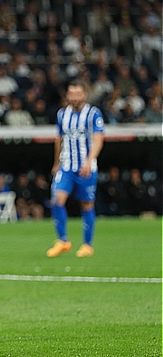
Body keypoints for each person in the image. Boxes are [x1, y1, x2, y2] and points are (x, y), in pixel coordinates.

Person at [47, 80, 104, 258]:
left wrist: (89, 161)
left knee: (86, 205)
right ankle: (63, 241)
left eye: (78, 94)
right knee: (56, 199)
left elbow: (98, 139)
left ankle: (87, 245)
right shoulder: (62, 114)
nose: (74, 97)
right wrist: (56, 163)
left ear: (84, 95)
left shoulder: (93, 114)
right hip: (66, 166)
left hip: (85, 167)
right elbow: (59, 139)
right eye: (71, 94)